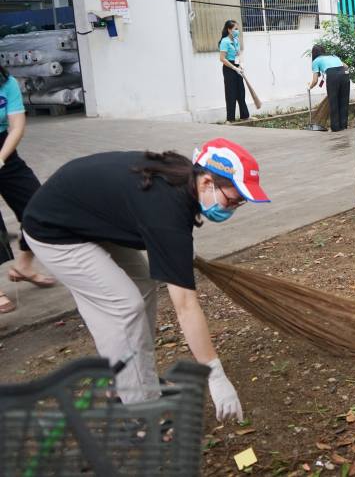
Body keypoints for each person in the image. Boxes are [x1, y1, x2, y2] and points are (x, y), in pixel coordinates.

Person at [21, 138, 270, 418]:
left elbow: (160, 220)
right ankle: (139, 411)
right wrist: (214, 374)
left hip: (88, 217)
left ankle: (133, 380)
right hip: (56, 232)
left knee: (141, 285)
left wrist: (177, 245)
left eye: (241, 203)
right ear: (206, 182)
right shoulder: (166, 209)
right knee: (124, 306)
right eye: (233, 199)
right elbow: (186, 306)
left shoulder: (184, 179)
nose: (233, 208)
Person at [0, 68, 55, 313]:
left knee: (40, 207)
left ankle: (24, 266)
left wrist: (1, 158)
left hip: (5, 152)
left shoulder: (7, 82)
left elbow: (16, 126)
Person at [308, 45, 350, 132]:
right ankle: (344, 127)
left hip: (333, 76)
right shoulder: (333, 56)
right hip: (345, 75)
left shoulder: (316, 61)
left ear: (314, 53)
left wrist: (309, 87)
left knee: (333, 102)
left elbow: (315, 80)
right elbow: (346, 66)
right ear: (323, 50)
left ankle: (336, 128)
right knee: (344, 102)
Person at [219, 20, 249, 122]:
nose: (237, 31)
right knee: (231, 93)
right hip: (229, 68)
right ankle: (230, 119)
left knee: (241, 92)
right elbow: (222, 58)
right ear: (229, 29)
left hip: (237, 66)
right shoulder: (225, 41)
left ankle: (245, 116)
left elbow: (238, 54)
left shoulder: (236, 40)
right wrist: (234, 68)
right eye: (235, 29)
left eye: (237, 29)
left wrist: (241, 65)